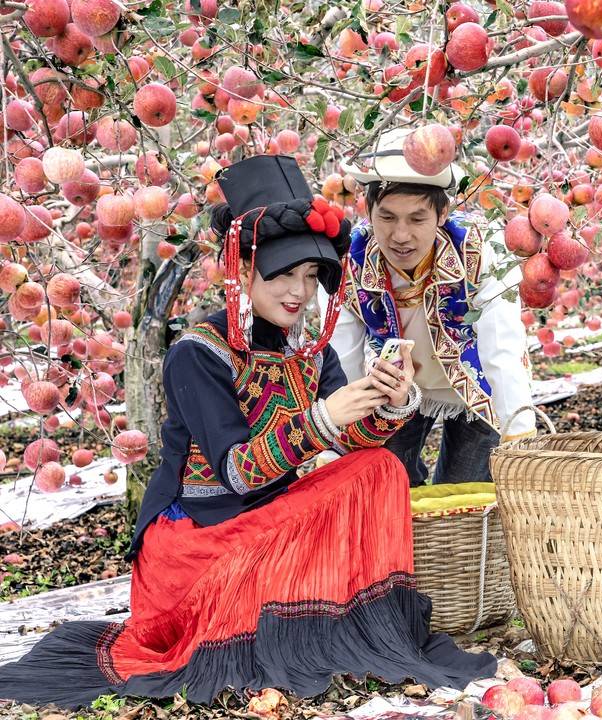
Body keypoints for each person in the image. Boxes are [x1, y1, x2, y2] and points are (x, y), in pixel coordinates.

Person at [0, 155, 495, 709]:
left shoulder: (310, 353)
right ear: (241, 270)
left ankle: (348, 617)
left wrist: (392, 402)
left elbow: (351, 444)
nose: (299, 292)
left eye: (310, 276)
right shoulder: (198, 353)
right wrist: (324, 418)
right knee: (361, 469)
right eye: (282, 274)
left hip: (269, 524)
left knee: (380, 467)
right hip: (198, 544)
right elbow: (237, 472)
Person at [319, 127, 535, 487]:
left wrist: (520, 434)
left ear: (442, 213)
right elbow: (343, 358)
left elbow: (502, 346)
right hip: (396, 389)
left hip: (479, 386)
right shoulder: (346, 264)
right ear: (368, 211)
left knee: (465, 493)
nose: (401, 235)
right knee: (388, 486)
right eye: (387, 217)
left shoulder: (482, 250)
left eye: (417, 219)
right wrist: (337, 441)